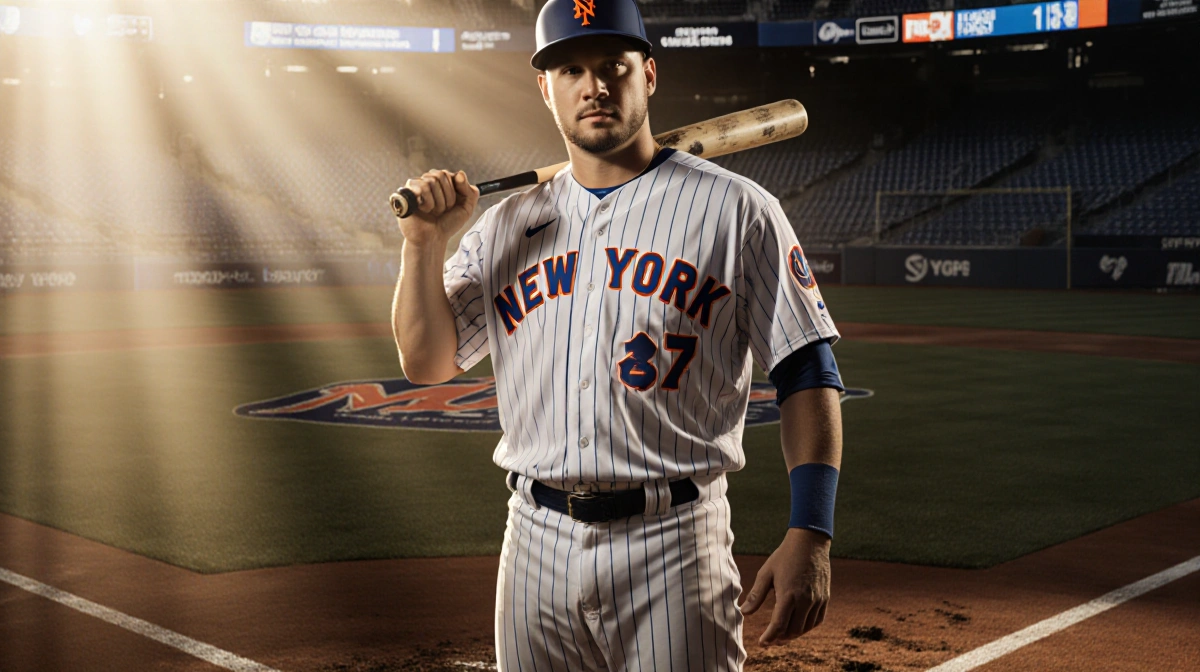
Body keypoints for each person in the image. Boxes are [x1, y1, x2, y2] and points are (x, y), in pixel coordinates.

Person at [391, 1, 844, 669]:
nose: (594, 86)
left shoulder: (738, 210)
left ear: (649, 74)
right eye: (571, 68)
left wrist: (813, 530)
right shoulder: (505, 227)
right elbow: (426, 362)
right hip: (533, 542)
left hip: (674, 541)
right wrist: (424, 245)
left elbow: (807, 371)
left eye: (614, 66)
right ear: (545, 88)